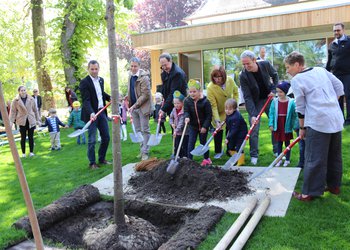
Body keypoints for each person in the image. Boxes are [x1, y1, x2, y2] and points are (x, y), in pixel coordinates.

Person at [284, 51, 344, 202]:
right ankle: (334, 186)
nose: (287, 71)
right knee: (334, 155)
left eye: (288, 67)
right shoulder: (320, 70)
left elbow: (301, 107)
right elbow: (339, 86)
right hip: (335, 118)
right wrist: (330, 102)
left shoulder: (297, 80)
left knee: (314, 158)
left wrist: (302, 129)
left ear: (297, 65)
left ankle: (308, 193)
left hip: (318, 122)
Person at [239, 50, 278, 165]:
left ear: (254, 60)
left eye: (248, 63)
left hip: (269, 98)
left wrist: (274, 90)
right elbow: (247, 96)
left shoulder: (265, 64)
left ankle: (276, 150)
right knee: (254, 128)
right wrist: (253, 114)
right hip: (255, 102)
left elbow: (275, 76)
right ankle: (254, 155)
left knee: (274, 123)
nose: (246, 66)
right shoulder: (243, 76)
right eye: (244, 64)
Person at [80, 60, 111, 169]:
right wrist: (91, 113)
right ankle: (92, 163)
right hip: (91, 114)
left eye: (96, 69)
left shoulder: (101, 80)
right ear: (88, 69)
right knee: (92, 140)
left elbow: (100, 94)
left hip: (101, 112)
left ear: (99, 69)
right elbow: (86, 100)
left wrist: (109, 98)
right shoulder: (84, 82)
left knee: (106, 137)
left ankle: (102, 159)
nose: (94, 71)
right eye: (92, 69)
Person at [207, 66, 239, 158]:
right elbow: (213, 106)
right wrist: (217, 121)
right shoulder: (210, 87)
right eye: (215, 77)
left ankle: (230, 149)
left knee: (231, 131)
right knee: (218, 130)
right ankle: (218, 151)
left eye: (219, 77)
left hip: (231, 109)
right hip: (218, 111)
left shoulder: (230, 80)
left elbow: (236, 92)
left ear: (224, 76)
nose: (217, 79)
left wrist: (235, 105)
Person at [127, 57, 153, 161]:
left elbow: (145, 95)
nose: (133, 68)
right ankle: (142, 150)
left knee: (145, 130)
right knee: (138, 131)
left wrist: (134, 105)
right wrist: (127, 97)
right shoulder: (130, 76)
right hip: (134, 107)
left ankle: (145, 152)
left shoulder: (144, 78)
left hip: (143, 107)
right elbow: (132, 90)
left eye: (135, 66)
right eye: (132, 66)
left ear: (139, 66)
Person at [326, 22, 350, 126]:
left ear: (343, 30)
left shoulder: (349, 41)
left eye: (338, 30)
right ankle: (341, 119)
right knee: (338, 97)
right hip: (336, 75)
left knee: (348, 96)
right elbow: (329, 60)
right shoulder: (332, 44)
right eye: (335, 30)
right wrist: (326, 73)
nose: (336, 32)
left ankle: (349, 120)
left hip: (348, 74)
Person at [184, 79, 212, 166]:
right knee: (191, 142)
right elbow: (186, 111)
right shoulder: (187, 101)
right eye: (190, 91)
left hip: (203, 126)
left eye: (194, 91)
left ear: (199, 91)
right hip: (193, 126)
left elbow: (209, 115)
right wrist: (187, 117)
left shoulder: (205, 102)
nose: (192, 93)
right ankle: (189, 159)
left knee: (203, 142)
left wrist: (205, 126)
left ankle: (207, 159)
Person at [268, 81, 297, 167]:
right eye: (277, 91)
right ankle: (279, 159)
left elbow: (294, 115)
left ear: (286, 91)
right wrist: (271, 124)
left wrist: (294, 125)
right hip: (278, 124)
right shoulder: (275, 101)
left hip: (286, 124)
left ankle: (287, 160)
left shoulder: (291, 102)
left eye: (281, 91)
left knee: (287, 143)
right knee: (279, 143)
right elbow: (271, 113)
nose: (279, 93)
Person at [9, 85, 41, 157]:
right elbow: (13, 112)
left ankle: (31, 152)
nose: (23, 92)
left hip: (30, 119)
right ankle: (23, 153)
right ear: (19, 92)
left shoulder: (31, 99)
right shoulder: (15, 100)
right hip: (21, 120)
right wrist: (11, 122)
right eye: (22, 90)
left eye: (24, 90)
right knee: (23, 137)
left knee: (31, 137)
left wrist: (38, 120)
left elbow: (35, 110)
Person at [158, 53, 187, 117]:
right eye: (162, 66)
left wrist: (163, 109)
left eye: (165, 65)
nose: (164, 68)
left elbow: (173, 93)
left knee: (178, 126)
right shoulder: (164, 73)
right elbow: (165, 89)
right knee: (173, 125)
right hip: (170, 105)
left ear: (170, 61)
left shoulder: (177, 74)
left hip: (179, 106)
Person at [225, 98, 248, 166]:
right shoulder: (230, 114)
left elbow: (234, 129)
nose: (227, 111)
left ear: (234, 109)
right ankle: (234, 159)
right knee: (231, 146)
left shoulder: (236, 117)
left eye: (230, 109)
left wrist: (228, 138)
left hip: (241, 133)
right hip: (233, 132)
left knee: (239, 147)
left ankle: (241, 161)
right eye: (226, 109)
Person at [169, 90, 188, 158]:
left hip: (184, 132)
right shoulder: (174, 110)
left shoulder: (184, 111)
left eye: (178, 103)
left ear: (182, 103)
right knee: (176, 145)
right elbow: (171, 118)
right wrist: (172, 124)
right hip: (176, 132)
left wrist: (176, 130)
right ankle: (178, 156)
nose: (176, 105)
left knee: (184, 144)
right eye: (175, 103)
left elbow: (181, 123)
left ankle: (185, 156)